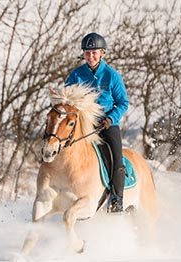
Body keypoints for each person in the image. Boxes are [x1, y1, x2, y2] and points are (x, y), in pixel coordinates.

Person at [65, 32, 130, 213]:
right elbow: (66, 99)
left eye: (94, 52)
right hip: (83, 125)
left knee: (117, 158)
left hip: (107, 124)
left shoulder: (112, 76)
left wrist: (111, 118)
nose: (91, 56)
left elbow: (123, 102)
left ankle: (117, 199)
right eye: (87, 53)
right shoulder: (76, 75)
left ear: (102, 53)